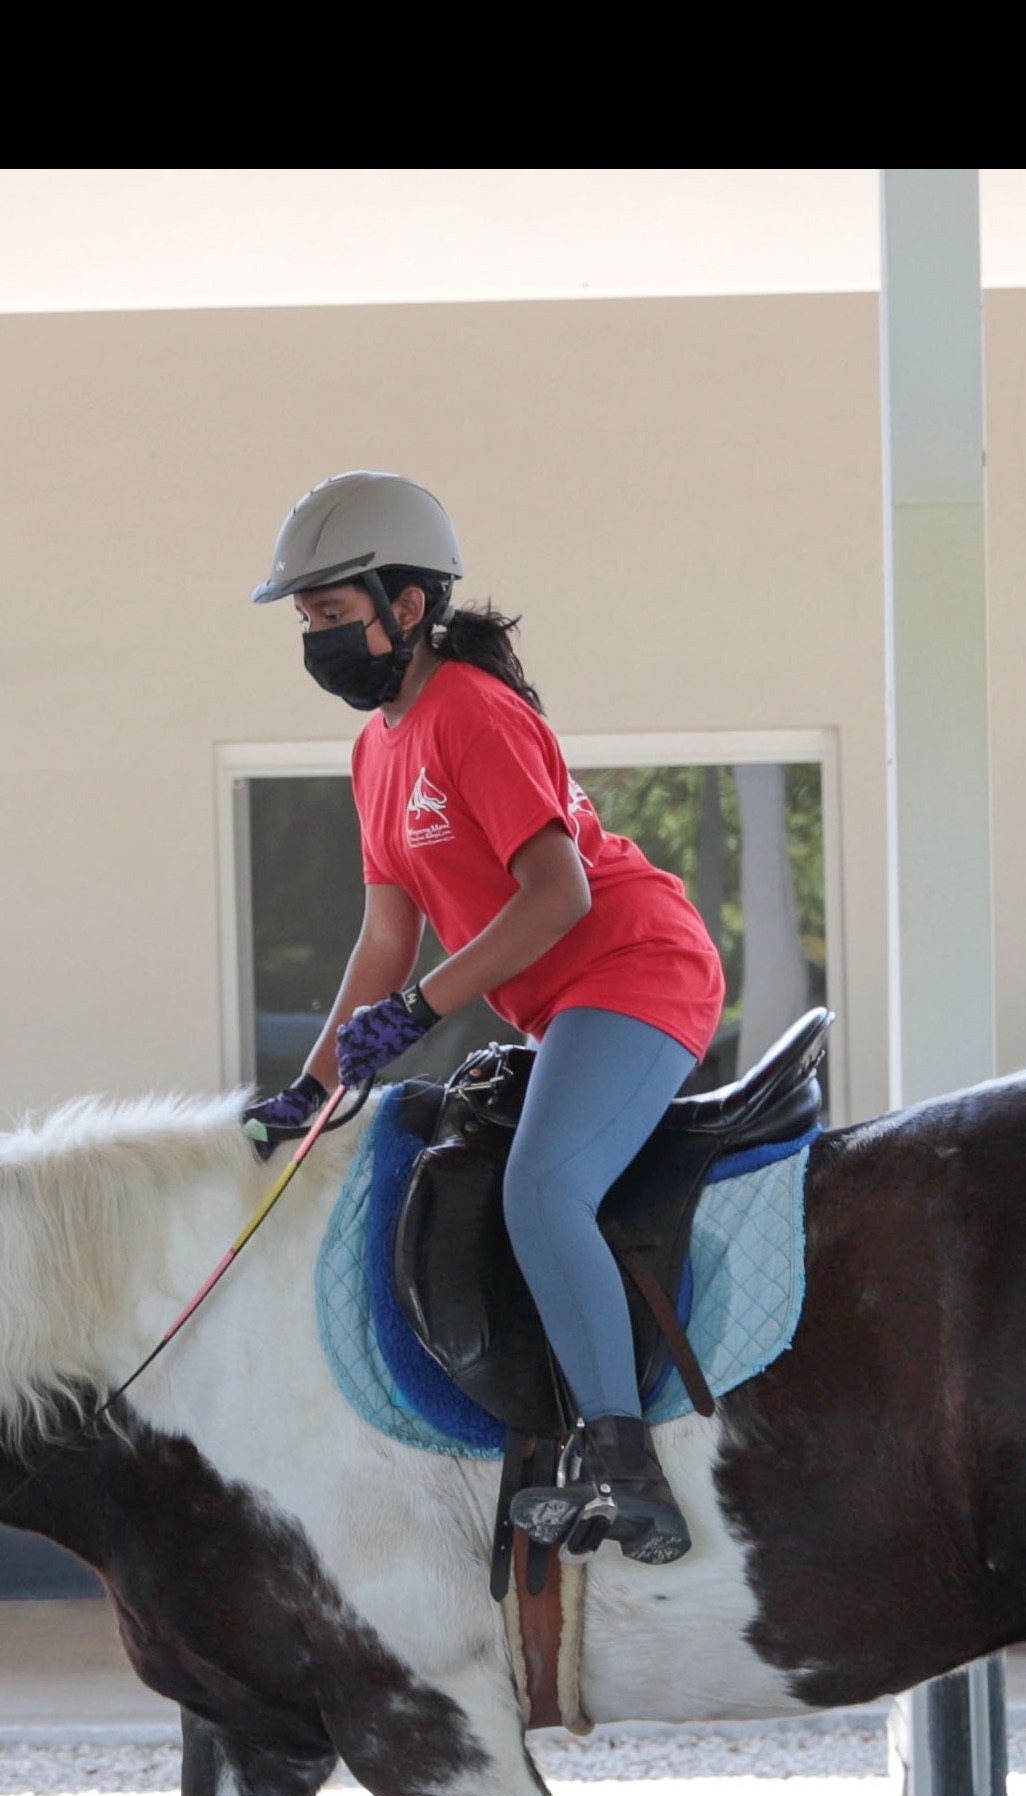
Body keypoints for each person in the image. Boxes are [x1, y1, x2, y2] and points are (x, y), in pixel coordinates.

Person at [248, 472, 728, 1565]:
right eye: (306, 621)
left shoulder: (472, 710)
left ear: (408, 604)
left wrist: (417, 1011)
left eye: (331, 614)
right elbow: (384, 937)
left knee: (543, 1188)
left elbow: (558, 895)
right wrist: (312, 1085)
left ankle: (625, 1468)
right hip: (559, 1004)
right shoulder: (374, 751)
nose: (317, 641)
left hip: (637, 968)